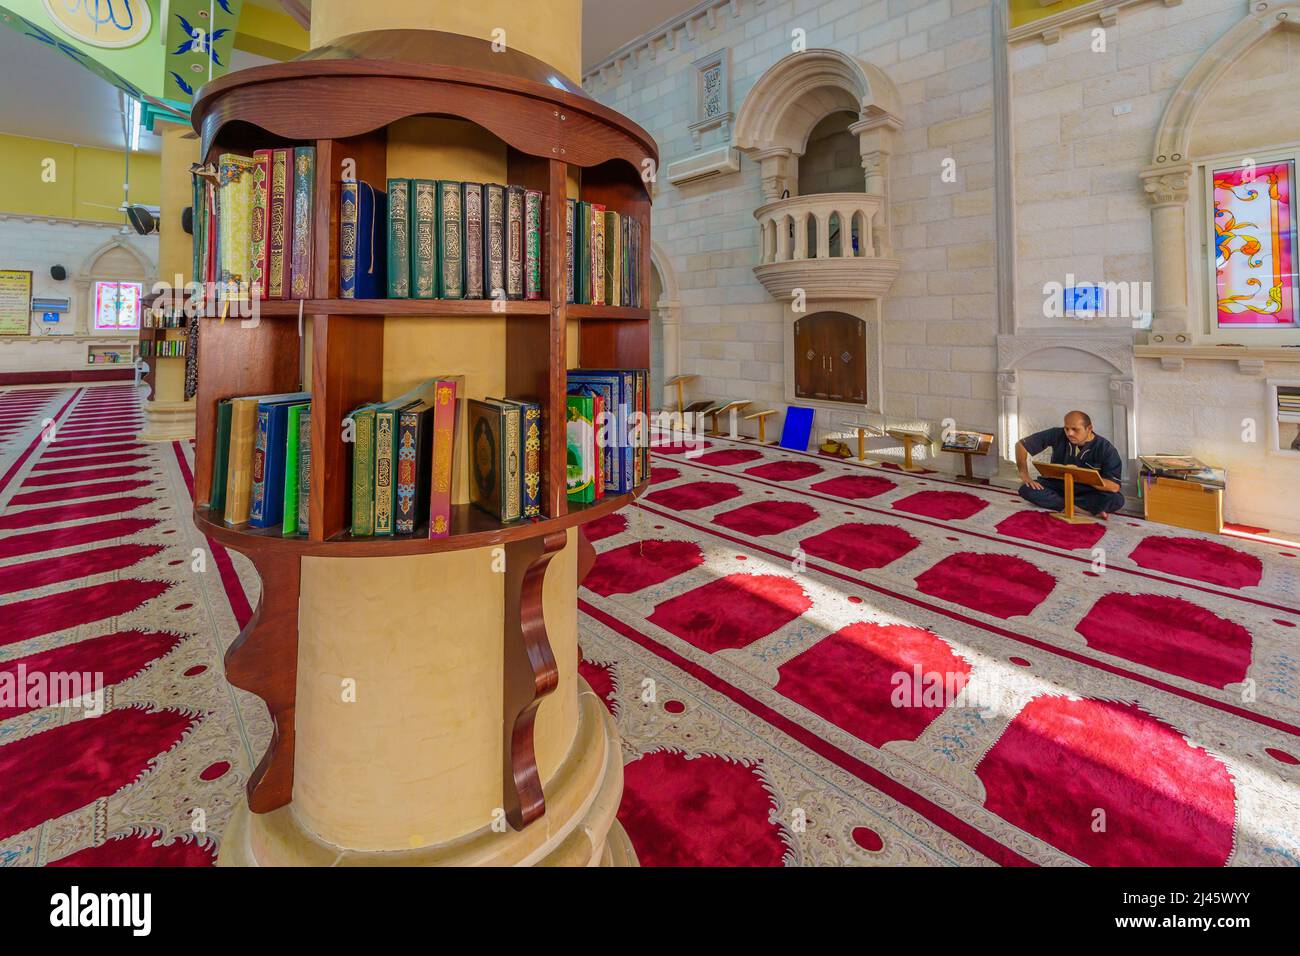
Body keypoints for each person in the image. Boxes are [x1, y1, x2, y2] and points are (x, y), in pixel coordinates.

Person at [1016, 410, 1126, 518]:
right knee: (1026, 488)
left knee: (1117, 499)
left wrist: (1083, 477)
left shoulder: (1106, 449)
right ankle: (1082, 510)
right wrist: (1024, 475)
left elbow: (1114, 486)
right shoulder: (1057, 434)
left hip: (1086, 491)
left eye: (1075, 429)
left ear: (1089, 429)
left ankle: (1064, 505)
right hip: (1057, 485)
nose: (1069, 433)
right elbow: (1021, 445)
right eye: (1066, 428)